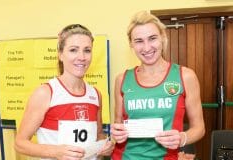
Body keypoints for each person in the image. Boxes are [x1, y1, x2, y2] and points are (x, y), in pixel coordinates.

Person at [110, 11, 205, 160]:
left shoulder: (185, 76)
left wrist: (182, 138)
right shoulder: (122, 79)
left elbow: (199, 128)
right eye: (139, 41)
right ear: (131, 44)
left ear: (163, 38)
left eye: (152, 38)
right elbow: (118, 125)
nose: (147, 47)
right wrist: (116, 133)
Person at [15, 24, 114, 160]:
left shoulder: (96, 95)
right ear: (60, 54)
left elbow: (98, 135)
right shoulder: (45, 93)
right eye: (73, 50)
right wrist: (56, 152)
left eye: (87, 50)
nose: (82, 57)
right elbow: (20, 143)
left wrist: (105, 146)